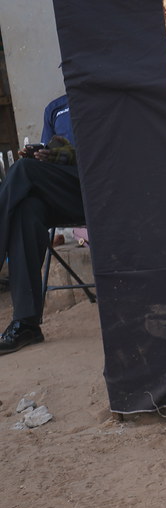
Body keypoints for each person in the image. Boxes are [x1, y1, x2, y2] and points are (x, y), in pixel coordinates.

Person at [0, 94, 85, 355]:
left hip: (94, 190)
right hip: (61, 192)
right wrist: (43, 153)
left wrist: (67, 156)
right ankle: (27, 324)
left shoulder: (103, 98)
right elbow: (50, 147)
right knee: (27, 209)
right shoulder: (56, 107)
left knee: (23, 170)